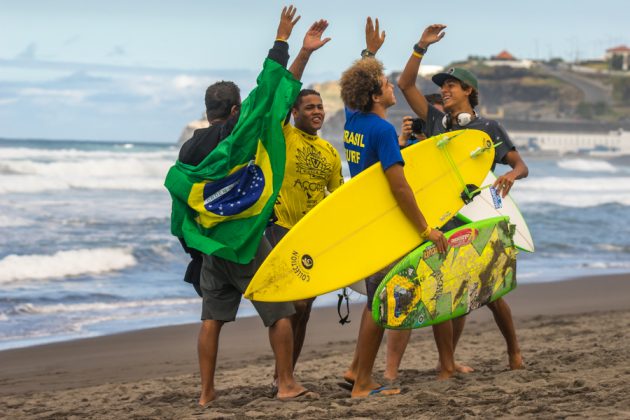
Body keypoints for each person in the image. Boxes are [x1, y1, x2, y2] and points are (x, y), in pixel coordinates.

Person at [177, 6, 329, 405]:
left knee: (212, 319)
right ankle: (286, 383)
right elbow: (271, 90)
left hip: (212, 245)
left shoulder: (189, 148)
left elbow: (182, 203)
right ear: (233, 111)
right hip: (244, 241)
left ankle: (206, 393)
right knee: (280, 312)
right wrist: (288, 42)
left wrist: (195, 245)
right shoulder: (239, 135)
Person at [397, 23, 529, 371]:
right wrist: (420, 47)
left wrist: (510, 176)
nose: (444, 92)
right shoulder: (437, 122)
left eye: (450, 86)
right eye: (442, 87)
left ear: (468, 90)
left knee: (490, 291)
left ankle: (514, 351)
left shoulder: (487, 128)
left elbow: (520, 165)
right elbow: (405, 85)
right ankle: (446, 364)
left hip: (478, 213)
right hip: (442, 216)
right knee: (444, 291)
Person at [340, 17, 450, 398]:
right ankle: (363, 383)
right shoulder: (383, 131)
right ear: (375, 96)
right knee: (380, 303)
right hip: (387, 225)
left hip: (367, 222)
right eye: (385, 85)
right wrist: (425, 229)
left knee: (376, 299)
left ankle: (357, 369)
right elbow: (399, 187)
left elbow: (355, 93)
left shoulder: (354, 120)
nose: (391, 88)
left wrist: (370, 54)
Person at [266, 88, 344, 387]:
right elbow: (281, 99)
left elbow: (338, 197)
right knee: (292, 306)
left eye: (320, 107)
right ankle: (282, 375)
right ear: (295, 112)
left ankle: (284, 375)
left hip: (313, 235)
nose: (317, 112)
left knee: (305, 310)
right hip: (281, 229)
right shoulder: (283, 136)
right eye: (309, 107)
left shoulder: (330, 152)